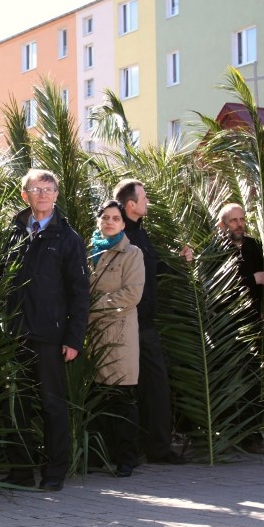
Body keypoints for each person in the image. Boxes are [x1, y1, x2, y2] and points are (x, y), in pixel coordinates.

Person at [1, 169, 89, 492]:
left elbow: (80, 292)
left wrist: (73, 338)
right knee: (17, 404)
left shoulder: (68, 238)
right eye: (36, 189)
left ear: (56, 196)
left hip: (51, 336)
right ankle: (20, 469)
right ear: (25, 195)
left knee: (52, 404)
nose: (42, 194)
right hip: (15, 333)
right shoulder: (12, 233)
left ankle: (54, 472)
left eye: (49, 189)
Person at [113, 179, 188, 465]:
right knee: (124, 388)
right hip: (124, 324)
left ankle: (157, 448)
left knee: (155, 385)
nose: (148, 203)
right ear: (131, 204)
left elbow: (153, 269)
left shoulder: (142, 235)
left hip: (145, 325)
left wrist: (179, 262)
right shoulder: (118, 236)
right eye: (144, 198)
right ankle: (127, 451)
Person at [88, 200, 145, 477]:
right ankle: (97, 456)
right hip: (91, 336)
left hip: (119, 336)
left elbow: (132, 295)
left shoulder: (132, 253)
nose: (110, 222)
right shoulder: (87, 254)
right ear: (99, 222)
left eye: (116, 218)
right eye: (105, 218)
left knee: (121, 397)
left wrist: (91, 305)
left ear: (123, 224)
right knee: (97, 398)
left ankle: (126, 458)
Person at [216, 203, 264, 454]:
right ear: (223, 225)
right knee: (229, 377)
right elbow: (218, 287)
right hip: (226, 325)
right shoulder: (216, 250)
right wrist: (251, 279)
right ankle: (228, 432)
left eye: (241, 219)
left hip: (252, 323)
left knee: (252, 378)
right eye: (233, 220)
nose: (239, 224)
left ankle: (251, 434)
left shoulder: (253, 246)